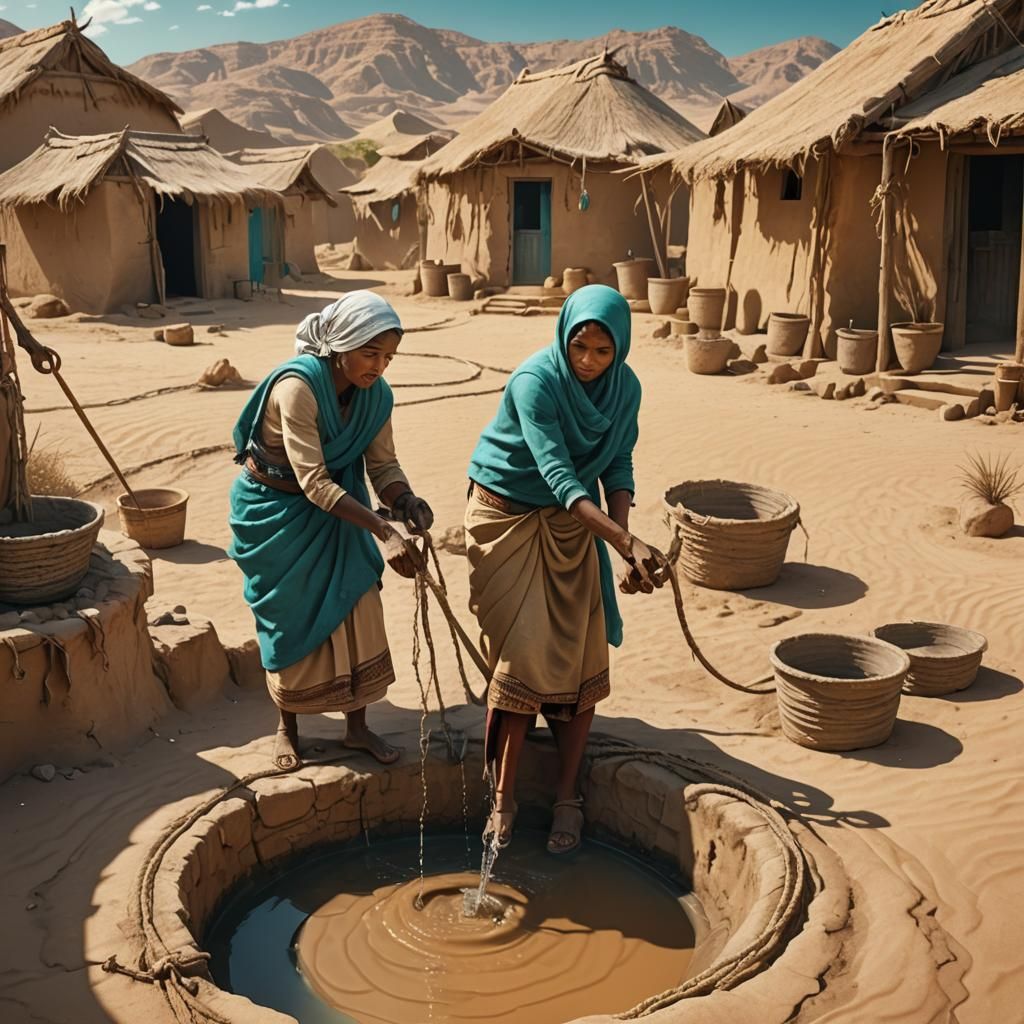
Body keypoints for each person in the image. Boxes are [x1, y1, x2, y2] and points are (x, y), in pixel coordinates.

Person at [465, 284, 666, 856]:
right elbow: (559, 473)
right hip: (506, 516)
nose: (587, 361)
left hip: (577, 521)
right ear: (564, 336)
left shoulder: (625, 390)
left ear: (619, 350)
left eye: (602, 352)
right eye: (579, 346)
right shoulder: (536, 381)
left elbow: (618, 463)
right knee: (522, 653)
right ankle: (503, 797)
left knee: (582, 651)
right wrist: (625, 541)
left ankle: (567, 794)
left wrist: (624, 542)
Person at [229, 292, 432, 771]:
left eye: (388, 357)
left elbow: (383, 464)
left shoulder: (377, 396)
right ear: (341, 344)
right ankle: (288, 727)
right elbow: (313, 481)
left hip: (343, 509)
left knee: (357, 604)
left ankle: (357, 727)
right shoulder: (296, 388)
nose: (379, 366)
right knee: (289, 615)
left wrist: (405, 500)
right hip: (277, 513)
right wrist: (386, 532)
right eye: (370, 353)